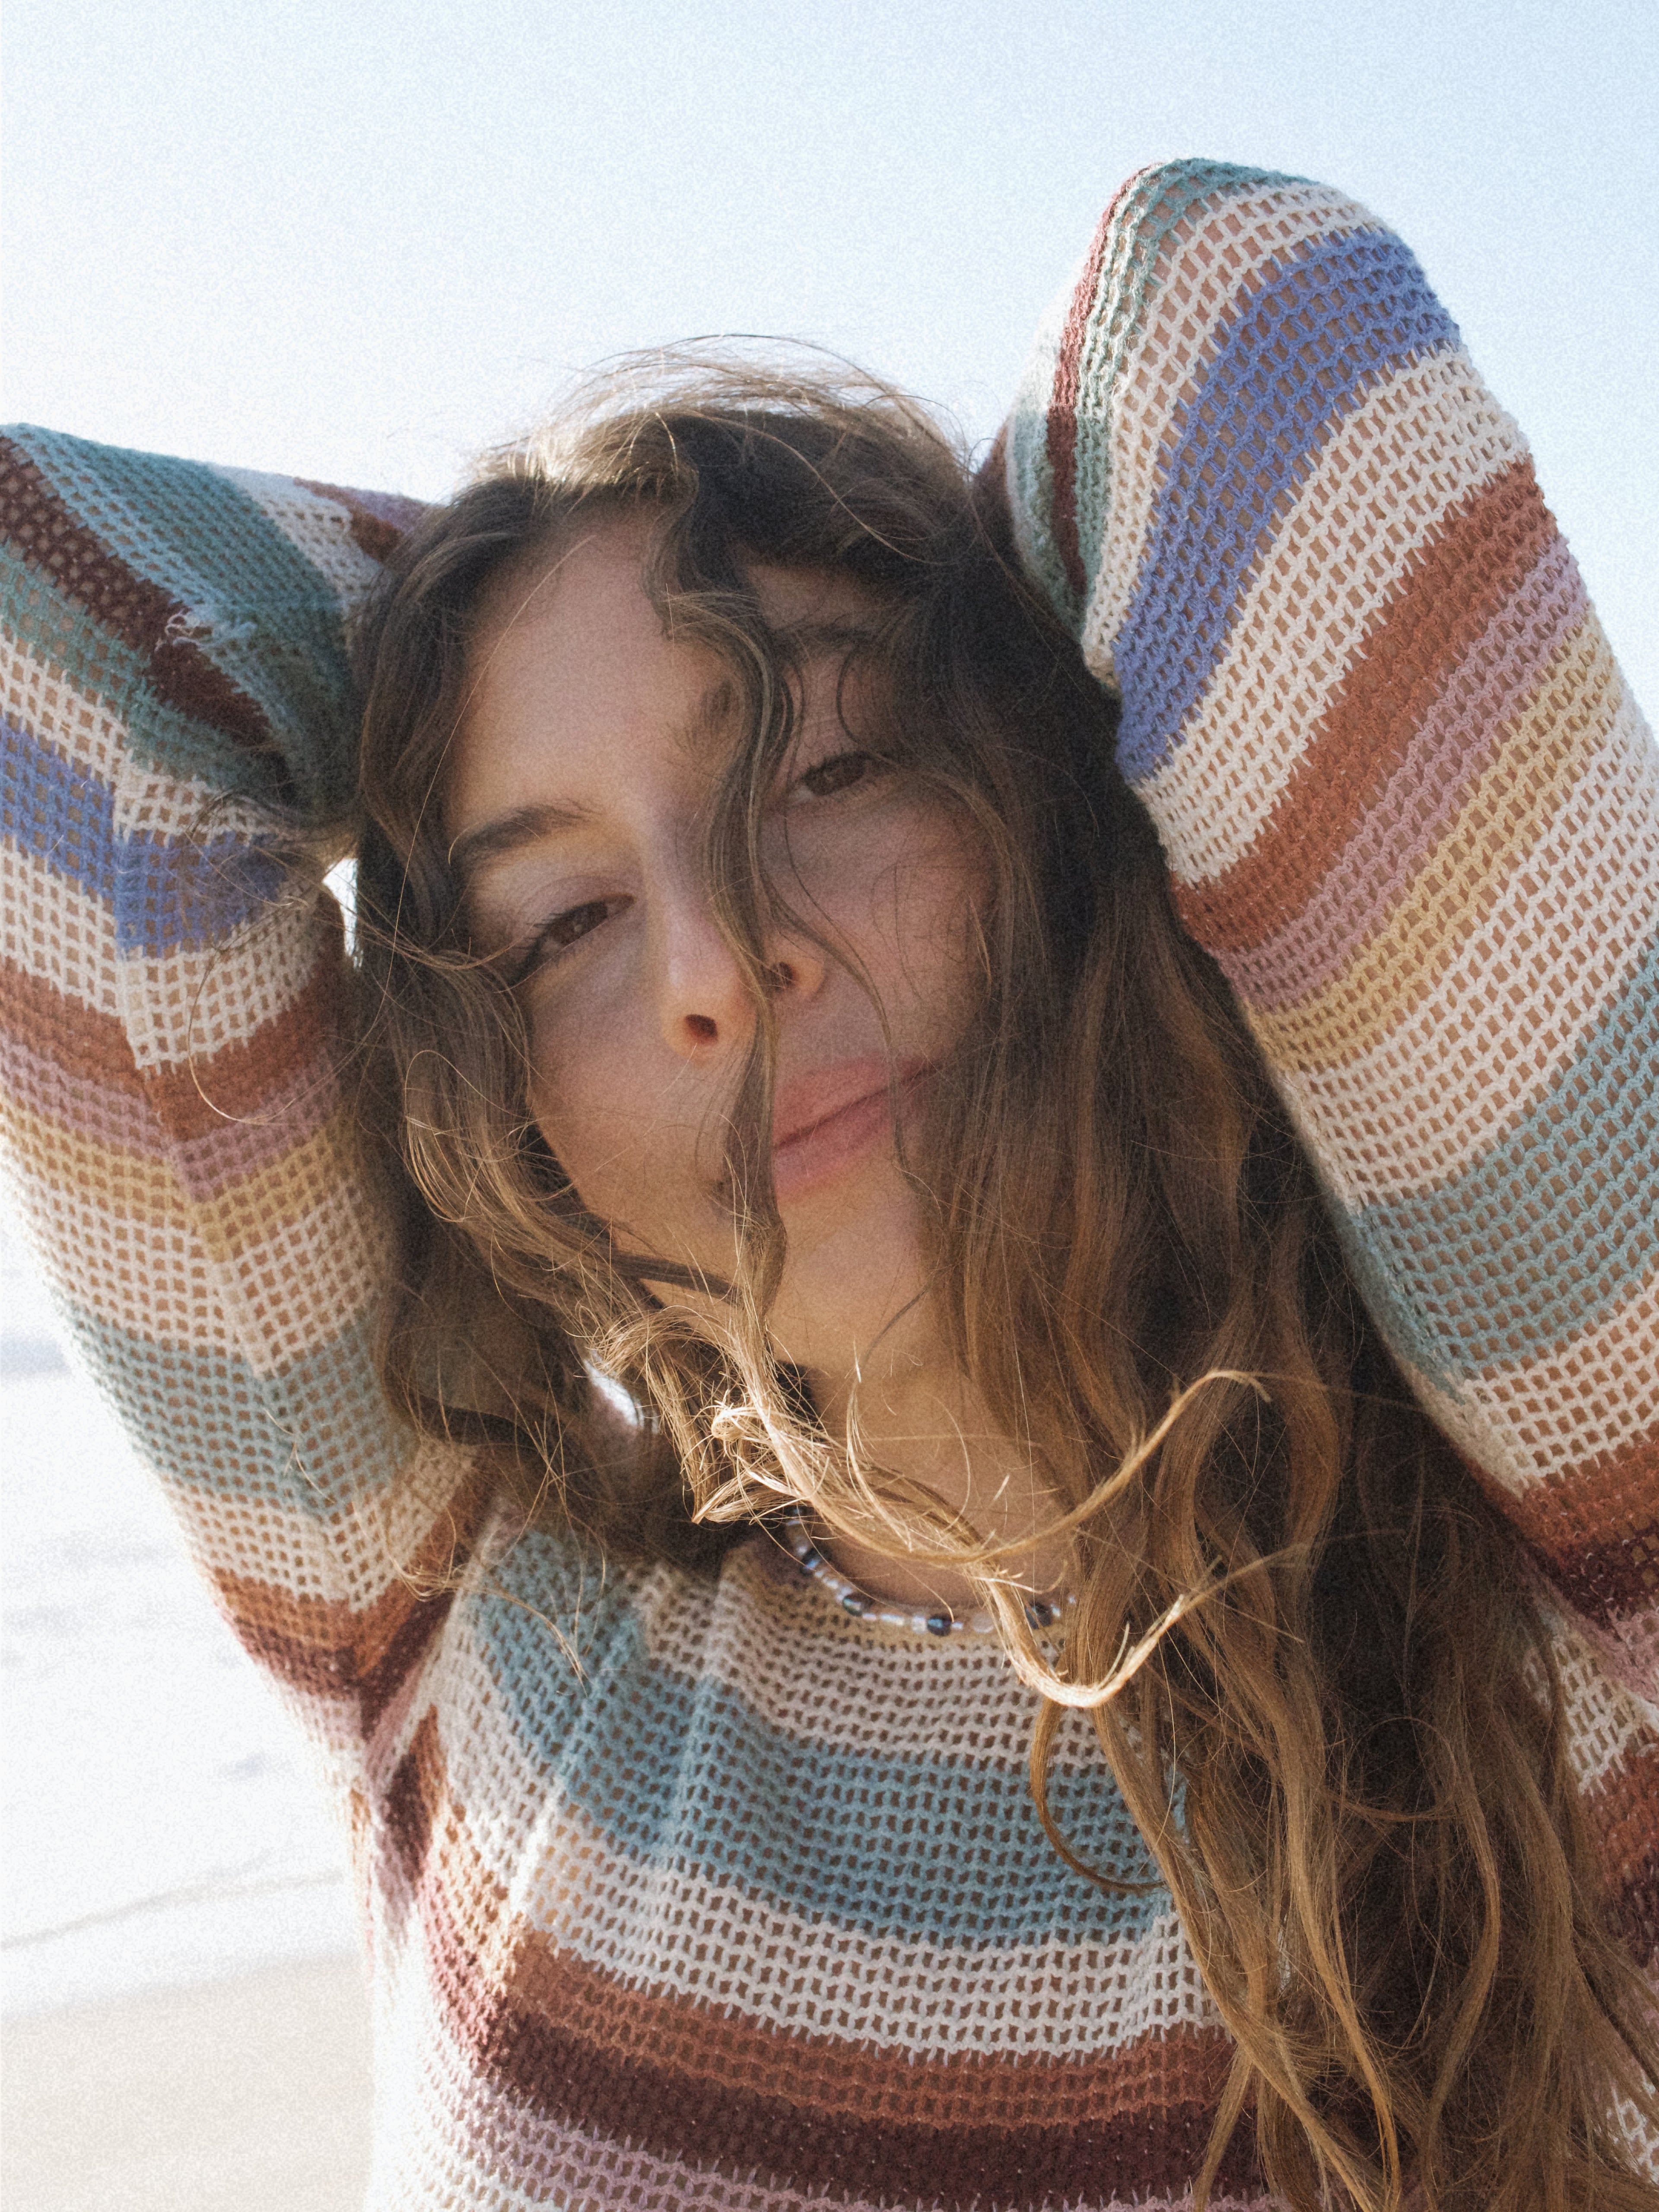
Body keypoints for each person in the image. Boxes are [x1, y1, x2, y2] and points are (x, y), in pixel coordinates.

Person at [2, 157, 1654, 2211]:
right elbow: (49, 643)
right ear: (501, 1094)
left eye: (835, 763)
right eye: (567, 916)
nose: (718, 965)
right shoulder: (466, 1627)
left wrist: (913, 582)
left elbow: (1247, 324)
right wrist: (484, 616)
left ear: (1054, 783)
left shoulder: (1573, 1579)